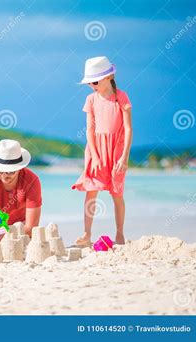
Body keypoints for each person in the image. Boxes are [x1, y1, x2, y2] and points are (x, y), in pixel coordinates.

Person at [72, 56, 133, 246]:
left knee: (117, 193)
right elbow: (89, 130)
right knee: (91, 192)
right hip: (95, 150)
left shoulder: (120, 97)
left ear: (109, 77)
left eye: (95, 81)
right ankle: (86, 234)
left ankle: (120, 233)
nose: (92, 85)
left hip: (116, 150)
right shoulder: (90, 99)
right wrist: (95, 156)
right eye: (89, 82)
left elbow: (129, 128)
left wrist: (124, 158)